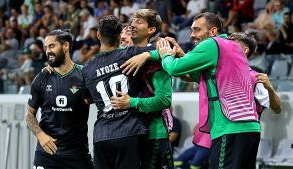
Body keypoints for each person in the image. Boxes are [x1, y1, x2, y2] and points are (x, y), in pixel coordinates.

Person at [123, 12, 261, 169]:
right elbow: (193, 76)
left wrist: (161, 55)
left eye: (197, 30)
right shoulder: (233, 48)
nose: (191, 35)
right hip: (251, 127)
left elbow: (174, 68)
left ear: (213, 31)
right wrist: (179, 54)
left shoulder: (212, 44)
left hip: (230, 126)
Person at [81, 15, 157, 169]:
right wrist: (146, 54)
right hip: (129, 131)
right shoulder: (129, 54)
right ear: (119, 35)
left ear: (98, 35)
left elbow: (87, 99)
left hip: (102, 135)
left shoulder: (87, 69)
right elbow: (162, 47)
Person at [110, 9, 174, 169]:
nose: (132, 24)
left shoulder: (157, 62)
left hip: (153, 135)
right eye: (133, 20)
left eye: (138, 21)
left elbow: (164, 100)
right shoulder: (122, 58)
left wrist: (131, 102)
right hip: (129, 134)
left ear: (151, 30)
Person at [25, 29, 94, 169]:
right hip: (47, 155)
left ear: (66, 46)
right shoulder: (41, 78)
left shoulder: (84, 75)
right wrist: (40, 135)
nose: (47, 51)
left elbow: (94, 100)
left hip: (77, 154)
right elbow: (29, 115)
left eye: (52, 46)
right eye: (46, 47)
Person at [228, 32, 282, 115]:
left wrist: (270, 88)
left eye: (232, 45)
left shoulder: (255, 78)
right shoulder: (216, 74)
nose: (226, 48)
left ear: (245, 50)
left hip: (246, 127)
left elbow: (277, 109)